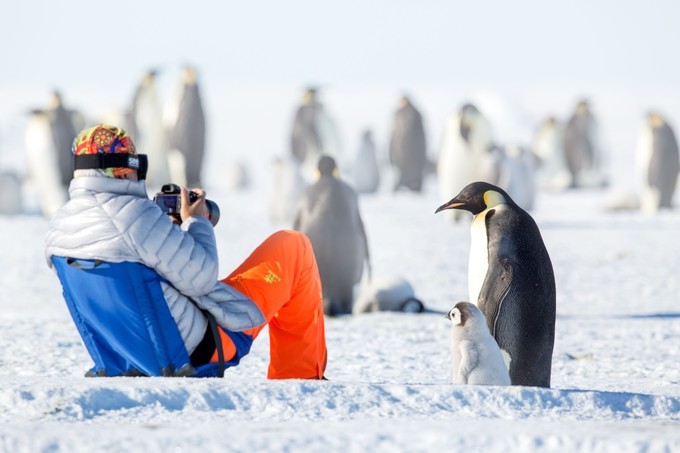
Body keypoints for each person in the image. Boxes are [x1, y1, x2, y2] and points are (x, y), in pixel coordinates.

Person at [45, 124, 327, 379]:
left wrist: (166, 231)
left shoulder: (58, 230)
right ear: (123, 168)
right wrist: (197, 222)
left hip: (131, 357)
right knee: (293, 246)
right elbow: (202, 278)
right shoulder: (136, 216)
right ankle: (299, 375)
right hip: (199, 350)